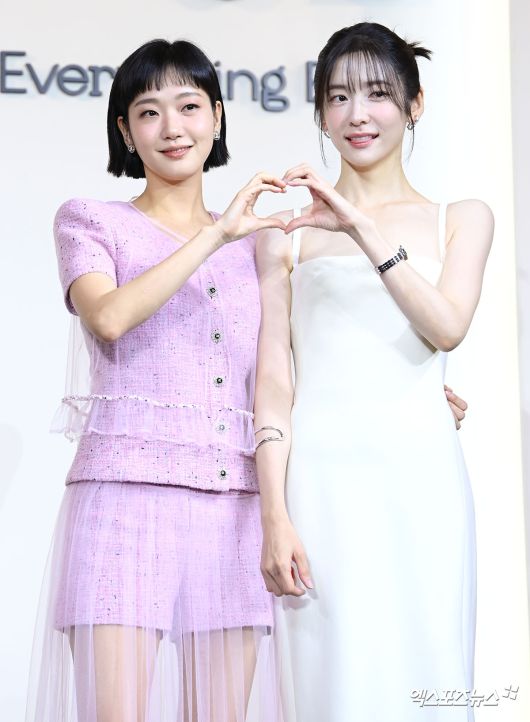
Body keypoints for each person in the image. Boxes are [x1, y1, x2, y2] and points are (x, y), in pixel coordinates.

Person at [25, 38, 289, 722]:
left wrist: (416, 396)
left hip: (234, 506)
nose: (172, 127)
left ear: (218, 117)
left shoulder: (260, 243)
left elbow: (281, 377)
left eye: (189, 106)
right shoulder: (91, 221)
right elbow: (109, 317)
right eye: (149, 112)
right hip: (123, 499)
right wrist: (214, 235)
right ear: (125, 131)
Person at [254, 22, 493, 722]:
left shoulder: (460, 218)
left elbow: (446, 326)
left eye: (379, 94)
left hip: (421, 478)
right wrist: (274, 515)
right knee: (332, 685)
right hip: (321, 485)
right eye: (338, 97)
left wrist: (359, 225)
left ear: (415, 105)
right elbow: (273, 385)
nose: (357, 114)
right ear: (321, 112)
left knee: (428, 676)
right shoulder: (284, 234)